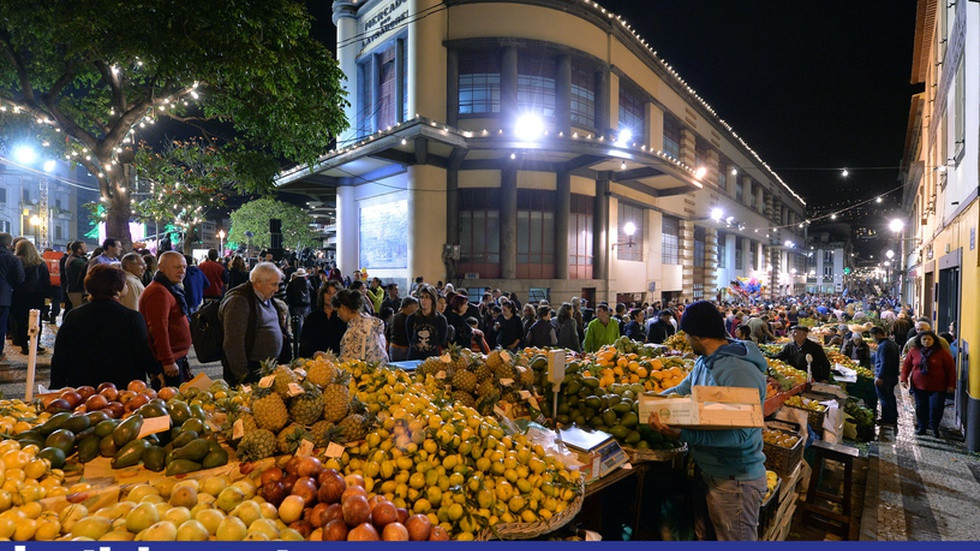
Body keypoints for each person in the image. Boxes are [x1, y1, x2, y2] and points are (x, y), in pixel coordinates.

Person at [646, 300, 768, 541]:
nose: (687, 340)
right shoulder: (706, 360)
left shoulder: (737, 372)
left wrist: (682, 435)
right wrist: (647, 404)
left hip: (735, 482)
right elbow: (683, 389)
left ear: (697, 335)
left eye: (687, 335)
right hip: (709, 473)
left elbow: (739, 436)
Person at [50, 265, 159, 389]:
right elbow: (142, 351)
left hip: (83, 386)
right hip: (122, 387)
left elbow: (61, 354)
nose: (127, 286)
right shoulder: (131, 317)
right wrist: (156, 371)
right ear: (117, 288)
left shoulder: (74, 315)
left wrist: (56, 385)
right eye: (124, 283)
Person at [219, 262, 287, 383]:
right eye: (274, 284)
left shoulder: (265, 297)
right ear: (259, 282)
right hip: (252, 371)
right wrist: (243, 375)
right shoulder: (239, 301)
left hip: (267, 368)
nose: (277, 289)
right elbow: (233, 343)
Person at [139, 251, 193, 388]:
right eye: (176, 267)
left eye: (184, 267)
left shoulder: (169, 287)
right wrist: (167, 360)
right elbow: (158, 329)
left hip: (176, 356)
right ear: (161, 267)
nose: (182, 271)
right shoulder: (158, 292)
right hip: (169, 360)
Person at [901, 331, 956, 437]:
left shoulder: (942, 352)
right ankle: (922, 427)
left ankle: (934, 427)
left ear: (934, 340)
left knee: (936, 407)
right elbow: (907, 366)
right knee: (921, 407)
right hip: (919, 385)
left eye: (929, 339)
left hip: (938, 386)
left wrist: (951, 384)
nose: (926, 341)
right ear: (920, 340)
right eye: (924, 339)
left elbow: (951, 369)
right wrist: (904, 379)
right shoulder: (914, 351)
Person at [12, 240, 49, 354]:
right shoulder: (41, 263)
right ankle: (36, 344)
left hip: (20, 295)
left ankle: (24, 347)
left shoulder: (16, 262)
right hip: (37, 295)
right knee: (37, 320)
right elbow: (46, 281)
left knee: (21, 321)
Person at [333, 289, 388, 363]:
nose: (338, 315)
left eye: (337, 311)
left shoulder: (353, 333)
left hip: (367, 373)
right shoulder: (373, 322)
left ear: (343, 308)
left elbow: (347, 364)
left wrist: (329, 359)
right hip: (384, 371)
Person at [299, 281, 347, 358]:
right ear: (323, 295)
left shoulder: (343, 318)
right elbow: (304, 343)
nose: (331, 296)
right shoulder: (312, 317)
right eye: (328, 293)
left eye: (334, 293)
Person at [0, 233, 25, 360]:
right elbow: (19, 279)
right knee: (1, 324)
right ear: (9, 244)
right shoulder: (12, 259)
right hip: (3, 296)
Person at [406, 284, 448, 359]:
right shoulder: (411, 318)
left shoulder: (440, 319)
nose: (423, 300)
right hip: (414, 356)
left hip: (432, 357)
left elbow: (441, 339)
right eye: (421, 297)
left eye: (427, 297)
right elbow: (409, 337)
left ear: (432, 300)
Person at [869, 326, 900, 428]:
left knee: (884, 398)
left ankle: (887, 419)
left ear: (878, 334)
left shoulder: (883, 346)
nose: (872, 338)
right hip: (892, 376)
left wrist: (880, 376)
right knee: (890, 397)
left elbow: (884, 363)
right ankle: (893, 417)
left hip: (885, 377)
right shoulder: (892, 343)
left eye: (873, 336)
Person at [285, 268, 313, 344]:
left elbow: (288, 294)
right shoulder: (308, 282)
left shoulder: (292, 283)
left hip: (295, 305)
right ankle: (306, 338)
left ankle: (298, 339)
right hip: (306, 305)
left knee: (297, 324)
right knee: (307, 322)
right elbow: (312, 291)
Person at [387, 296, 418, 361]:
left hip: (393, 347)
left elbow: (387, 333)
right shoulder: (409, 319)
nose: (416, 309)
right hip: (403, 349)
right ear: (409, 306)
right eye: (415, 306)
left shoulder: (395, 316)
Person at [41, 247, 63, 324]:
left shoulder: (43, 259)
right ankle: (53, 316)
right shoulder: (58, 258)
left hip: (46, 284)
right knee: (56, 300)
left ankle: (45, 313)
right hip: (57, 284)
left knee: (46, 299)